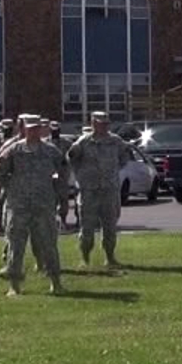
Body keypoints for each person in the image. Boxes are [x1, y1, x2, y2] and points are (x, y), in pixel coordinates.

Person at [0, 114, 69, 296]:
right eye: (30, 128)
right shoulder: (13, 151)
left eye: (37, 128)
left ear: (41, 129)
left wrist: (55, 188)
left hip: (43, 205)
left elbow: (62, 171)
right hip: (19, 205)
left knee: (49, 244)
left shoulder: (51, 151)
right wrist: (13, 188)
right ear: (24, 129)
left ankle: (55, 282)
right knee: (16, 246)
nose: (34, 131)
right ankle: (14, 285)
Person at [66, 111, 130, 270]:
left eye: (106, 123)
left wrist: (112, 173)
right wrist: (82, 177)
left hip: (109, 190)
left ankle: (110, 257)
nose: (103, 126)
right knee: (87, 228)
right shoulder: (84, 142)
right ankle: (85, 258)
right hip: (89, 191)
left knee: (110, 227)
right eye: (100, 123)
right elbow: (71, 159)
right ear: (93, 123)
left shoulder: (116, 141)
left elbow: (124, 158)